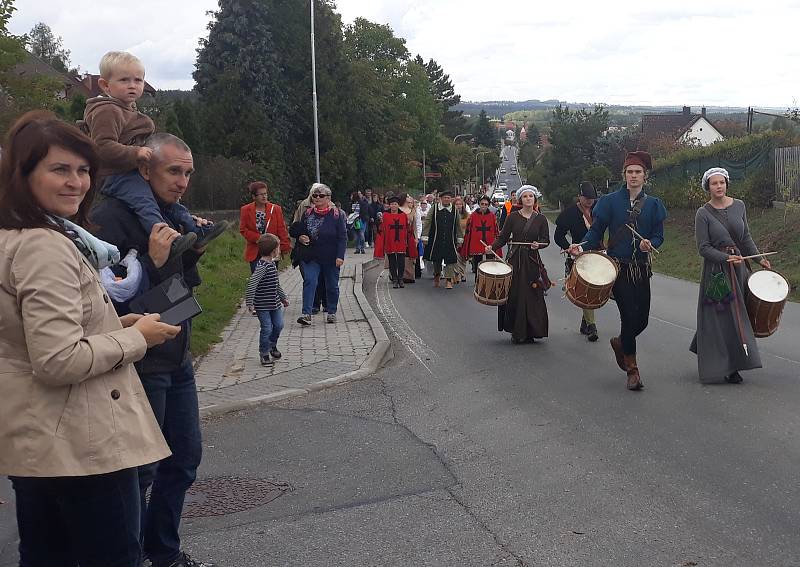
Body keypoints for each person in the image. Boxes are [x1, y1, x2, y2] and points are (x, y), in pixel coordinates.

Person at [0, 111, 176, 566]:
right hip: (82, 443)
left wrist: (114, 326)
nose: (76, 183)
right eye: (59, 169)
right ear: (23, 175)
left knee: (45, 555)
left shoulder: (15, 236)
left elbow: (29, 336)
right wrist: (137, 339)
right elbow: (57, 359)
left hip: (38, 438)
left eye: (82, 170)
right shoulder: (44, 246)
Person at [91, 132, 218, 567]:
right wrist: (153, 262)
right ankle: (133, 557)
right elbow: (106, 302)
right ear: (144, 169)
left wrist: (191, 254)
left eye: (187, 173)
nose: (182, 181)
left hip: (178, 356)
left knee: (183, 461)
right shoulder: (110, 219)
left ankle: (163, 552)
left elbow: (178, 288)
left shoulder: (170, 215)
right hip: (138, 364)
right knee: (141, 471)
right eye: (173, 171)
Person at [83, 51, 228, 261]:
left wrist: (193, 254)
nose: (133, 85)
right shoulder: (107, 111)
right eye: (124, 80)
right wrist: (136, 153)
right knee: (145, 203)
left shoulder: (128, 109)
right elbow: (101, 148)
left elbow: (179, 279)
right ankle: (166, 236)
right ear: (105, 86)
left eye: (138, 80)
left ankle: (195, 232)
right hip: (115, 175)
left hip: (128, 172)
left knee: (173, 204)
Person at [570, 151, 667, 391]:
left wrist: (651, 244)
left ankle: (620, 342)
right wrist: (581, 246)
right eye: (630, 172)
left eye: (638, 172)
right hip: (618, 268)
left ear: (645, 176)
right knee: (628, 317)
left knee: (642, 319)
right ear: (624, 175)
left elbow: (658, 236)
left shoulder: (654, 205)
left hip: (642, 268)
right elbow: (596, 232)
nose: (634, 176)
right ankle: (633, 371)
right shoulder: (610, 201)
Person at [690, 167, 770, 384]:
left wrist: (758, 258)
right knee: (724, 316)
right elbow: (703, 248)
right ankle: (728, 366)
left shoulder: (739, 206)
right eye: (714, 183)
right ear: (708, 187)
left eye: (722, 182)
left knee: (735, 315)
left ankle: (709, 348)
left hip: (739, 269)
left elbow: (745, 238)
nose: (719, 186)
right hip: (717, 272)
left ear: (727, 184)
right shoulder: (703, 213)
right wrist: (725, 259)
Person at [486, 186, 550, 344]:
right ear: (520, 199)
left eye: (531, 196)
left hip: (532, 261)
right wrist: (491, 247)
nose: (528, 199)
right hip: (515, 260)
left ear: (535, 199)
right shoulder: (512, 217)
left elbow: (546, 240)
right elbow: (502, 238)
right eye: (525, 196)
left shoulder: (541, 219)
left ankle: (532, 330)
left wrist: (538, 245)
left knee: (533, 294)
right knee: (516, 293)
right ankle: (517, 331)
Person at [289, 183, 347, 325]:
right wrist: (301, 237)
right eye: (315, 195)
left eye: (321, 195)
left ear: (328, 198)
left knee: (332, 285)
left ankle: (332, 311)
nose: (317, 198)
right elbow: (300, 229)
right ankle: (306, 313)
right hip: (311, 255)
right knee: (310, 281)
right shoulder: (308, 213)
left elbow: (342, 237)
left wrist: (340, 256)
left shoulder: (336, 215)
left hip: (330, 256)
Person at [555, 181, 601, 342]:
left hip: (599, 254)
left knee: (599, 290)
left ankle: (585, 322)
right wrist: (568, 247)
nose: (590, 201)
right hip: (579, 256)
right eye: (587, 198)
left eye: (592, 198)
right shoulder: (569, 213)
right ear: (580, 196)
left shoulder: (599, 210)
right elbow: (558, 236)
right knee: (586, 290)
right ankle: (592, 326)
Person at [245, 233, 289, 366]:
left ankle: (272, 345)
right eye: (279, 248)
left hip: (275, 304)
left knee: (279, 325)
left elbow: (276, 284)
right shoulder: (262, 267)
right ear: (273, 251)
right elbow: (252, 283)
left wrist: (283, 298)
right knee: (267, 328)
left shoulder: (272, 265)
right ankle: (264, 353)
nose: (279, 250)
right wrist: (250, 302)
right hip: (263, 305)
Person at [239, 181, 290, 272]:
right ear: (254, 196)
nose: (264, 196)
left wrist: (284, 246)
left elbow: (281, 229)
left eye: (265, 193)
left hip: (272, 250)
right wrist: (259, 238)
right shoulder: (245, 210)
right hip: (255, 251)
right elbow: (243, 230)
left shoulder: (275, 209)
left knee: (271, 279)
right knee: (258, 279)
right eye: (261, 194)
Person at [422, 190, 463, 289]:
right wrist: (425, 236)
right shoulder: (434, 208)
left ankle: (448, 281)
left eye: (448, 198)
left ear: (451, 199)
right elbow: (427, 221)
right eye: (445, 198)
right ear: (441, 199)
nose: (446, 199)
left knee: (450, 260)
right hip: (436, 238)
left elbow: (458, 225)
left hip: (450, 239)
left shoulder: (454, 209)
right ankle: (437, 275)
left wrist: (460, 238)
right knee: (437, 259)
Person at [375, 195, 416, 288]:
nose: (393, 206)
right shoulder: (385, 215)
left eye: (395, 204)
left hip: (401, 242)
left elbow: (408, 229)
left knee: (401, 261)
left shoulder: (403, 216)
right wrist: (379, 222)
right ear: (389, 205)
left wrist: (410, 240)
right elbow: (381, 228)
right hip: (390, 242)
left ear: (398, 205)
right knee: (392, 261)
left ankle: (400, 279)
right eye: (392, 204)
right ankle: (394, 279)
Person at [463, 195, 502, 276]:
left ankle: (488, 281)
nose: (484, 206)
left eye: (486, 204)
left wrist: (497, 243)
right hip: (476, 242)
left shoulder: (492, 216)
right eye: (482, 204)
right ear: (479, 204)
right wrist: (468, 243)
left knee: (490, 263)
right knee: (477, 263)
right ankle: (477, 281)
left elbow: (496, 230)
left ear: (488, 205)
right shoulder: (473, 216)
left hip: (489, 243)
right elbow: (468, 230)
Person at [399, 193, 422, 283]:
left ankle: (409, 275)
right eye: (408, 197)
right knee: (401, 255)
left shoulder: (414, 210)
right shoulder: (399, 210)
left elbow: (417, 224)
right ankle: (399, 274)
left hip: (410, 235)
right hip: (400, 235)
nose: (410, 198)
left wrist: (417, 237)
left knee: (410, 255)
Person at [453, 195, 471, 283]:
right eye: (456, 204)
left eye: (460, 204)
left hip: (464, 239)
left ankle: (462, 273)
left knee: (463, 257)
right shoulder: (451, 215)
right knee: (456, 257)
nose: (458, 206)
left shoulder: (467, 216)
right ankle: (457, 274)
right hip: (454, 238)